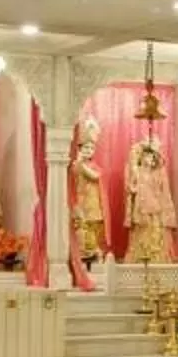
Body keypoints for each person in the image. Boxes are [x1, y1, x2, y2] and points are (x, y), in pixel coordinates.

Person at [124, 134, 178, 264]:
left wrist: (166, 212)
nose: (148, 159)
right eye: (145, 156)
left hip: (156, 210)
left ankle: (157, 263)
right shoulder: (136, 171)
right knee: (141, 236)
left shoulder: (159, 173)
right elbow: (131, 187)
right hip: (141, 210)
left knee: (155, 236)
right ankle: (139, 262)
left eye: (151, 156)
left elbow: (164, 192)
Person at [69, 114, 108, 267]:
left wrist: (80, 164)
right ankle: (80, 257)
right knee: (80, 229)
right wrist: (77, 163)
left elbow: (95, 176)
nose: (89, 150)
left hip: (92, 204)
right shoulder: (74, 165)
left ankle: (95, 256)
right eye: (86, 147)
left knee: (92, 231)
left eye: (92, 148)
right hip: (79, 202)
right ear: (79, 148)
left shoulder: (92, 166)